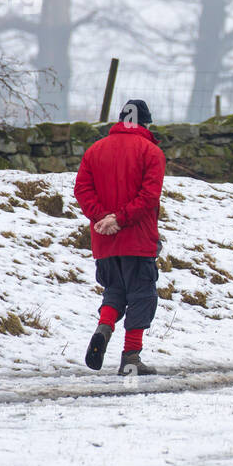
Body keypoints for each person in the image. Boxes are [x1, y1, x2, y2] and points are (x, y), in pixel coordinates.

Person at [74, 99, 166, 376]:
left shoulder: (94, 151)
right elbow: (149, 197)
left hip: (105, 240)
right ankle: (130, 358)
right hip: (137, 238)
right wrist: (120, 219)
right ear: (145, 123)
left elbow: (82, 190)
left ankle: (105, 326)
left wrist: (102, 218)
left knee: (114, 290)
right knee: (142, 295)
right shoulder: (151, 152)